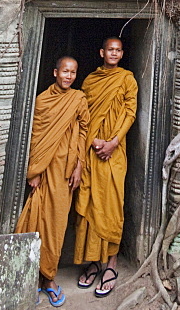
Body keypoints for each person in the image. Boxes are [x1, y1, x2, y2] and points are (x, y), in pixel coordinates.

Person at [16, 56, 90, 308]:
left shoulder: (78, 99)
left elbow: (84, 131)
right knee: (35, 220)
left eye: (73, 72)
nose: (69, 76)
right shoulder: (42, 101)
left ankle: (49, 278)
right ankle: (32, 277)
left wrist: (79, 165)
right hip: (44, 169)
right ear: (55, 72)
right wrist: (34, 170)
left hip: (65, 172)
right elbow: (35, 135)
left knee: (56, 225)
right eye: (65, 71)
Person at [75, 36, 138, 298]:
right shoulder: (90, 81)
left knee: (111, 205)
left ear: (122, 54)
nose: (114, 53)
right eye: (110, 50)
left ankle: (110, 263)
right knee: (88, 204)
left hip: (114, 152)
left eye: (118, 50)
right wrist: (93, 142)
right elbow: (83, 116)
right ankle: (92, 262)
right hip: (91, 151)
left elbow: (130, 113)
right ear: (102, 52)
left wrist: (112, 143)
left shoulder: (127, 79)